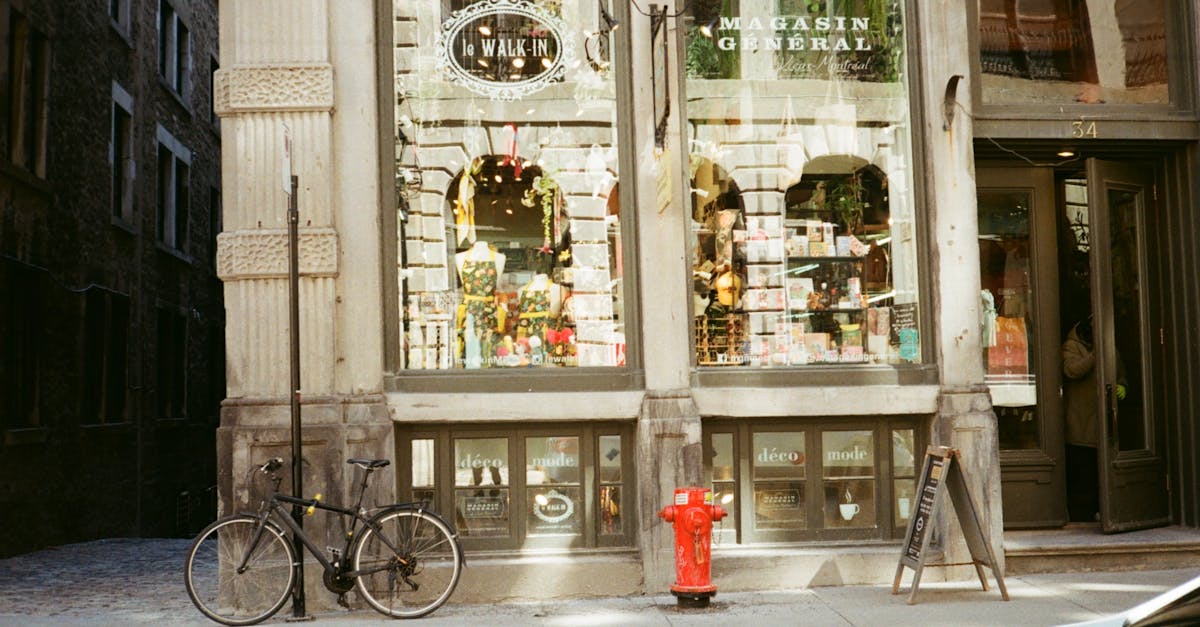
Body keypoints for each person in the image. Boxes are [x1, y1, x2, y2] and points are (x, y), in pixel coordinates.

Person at [1062, 315, 1125, 521]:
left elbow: (1121, 373)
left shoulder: (1110, 346)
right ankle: (1083, 515)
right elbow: (1071, 370)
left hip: (1105, 421)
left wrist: (1123, 385)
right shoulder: (1072, 345)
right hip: (1081, 423)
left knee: (1103, 470)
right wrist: (1096, 354)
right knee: (1084, 472)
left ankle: (1106, 512)